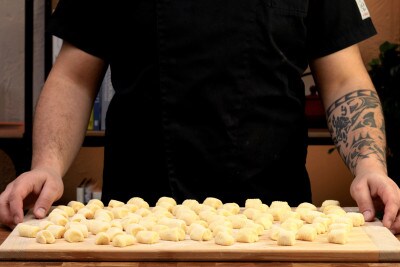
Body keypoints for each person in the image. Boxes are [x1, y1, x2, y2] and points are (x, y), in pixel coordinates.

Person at [1, 0, 400, 233]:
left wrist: (369, 166)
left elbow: (345, 80)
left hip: (276, 225)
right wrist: (48, 166)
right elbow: (73, 76)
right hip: (139, 222)